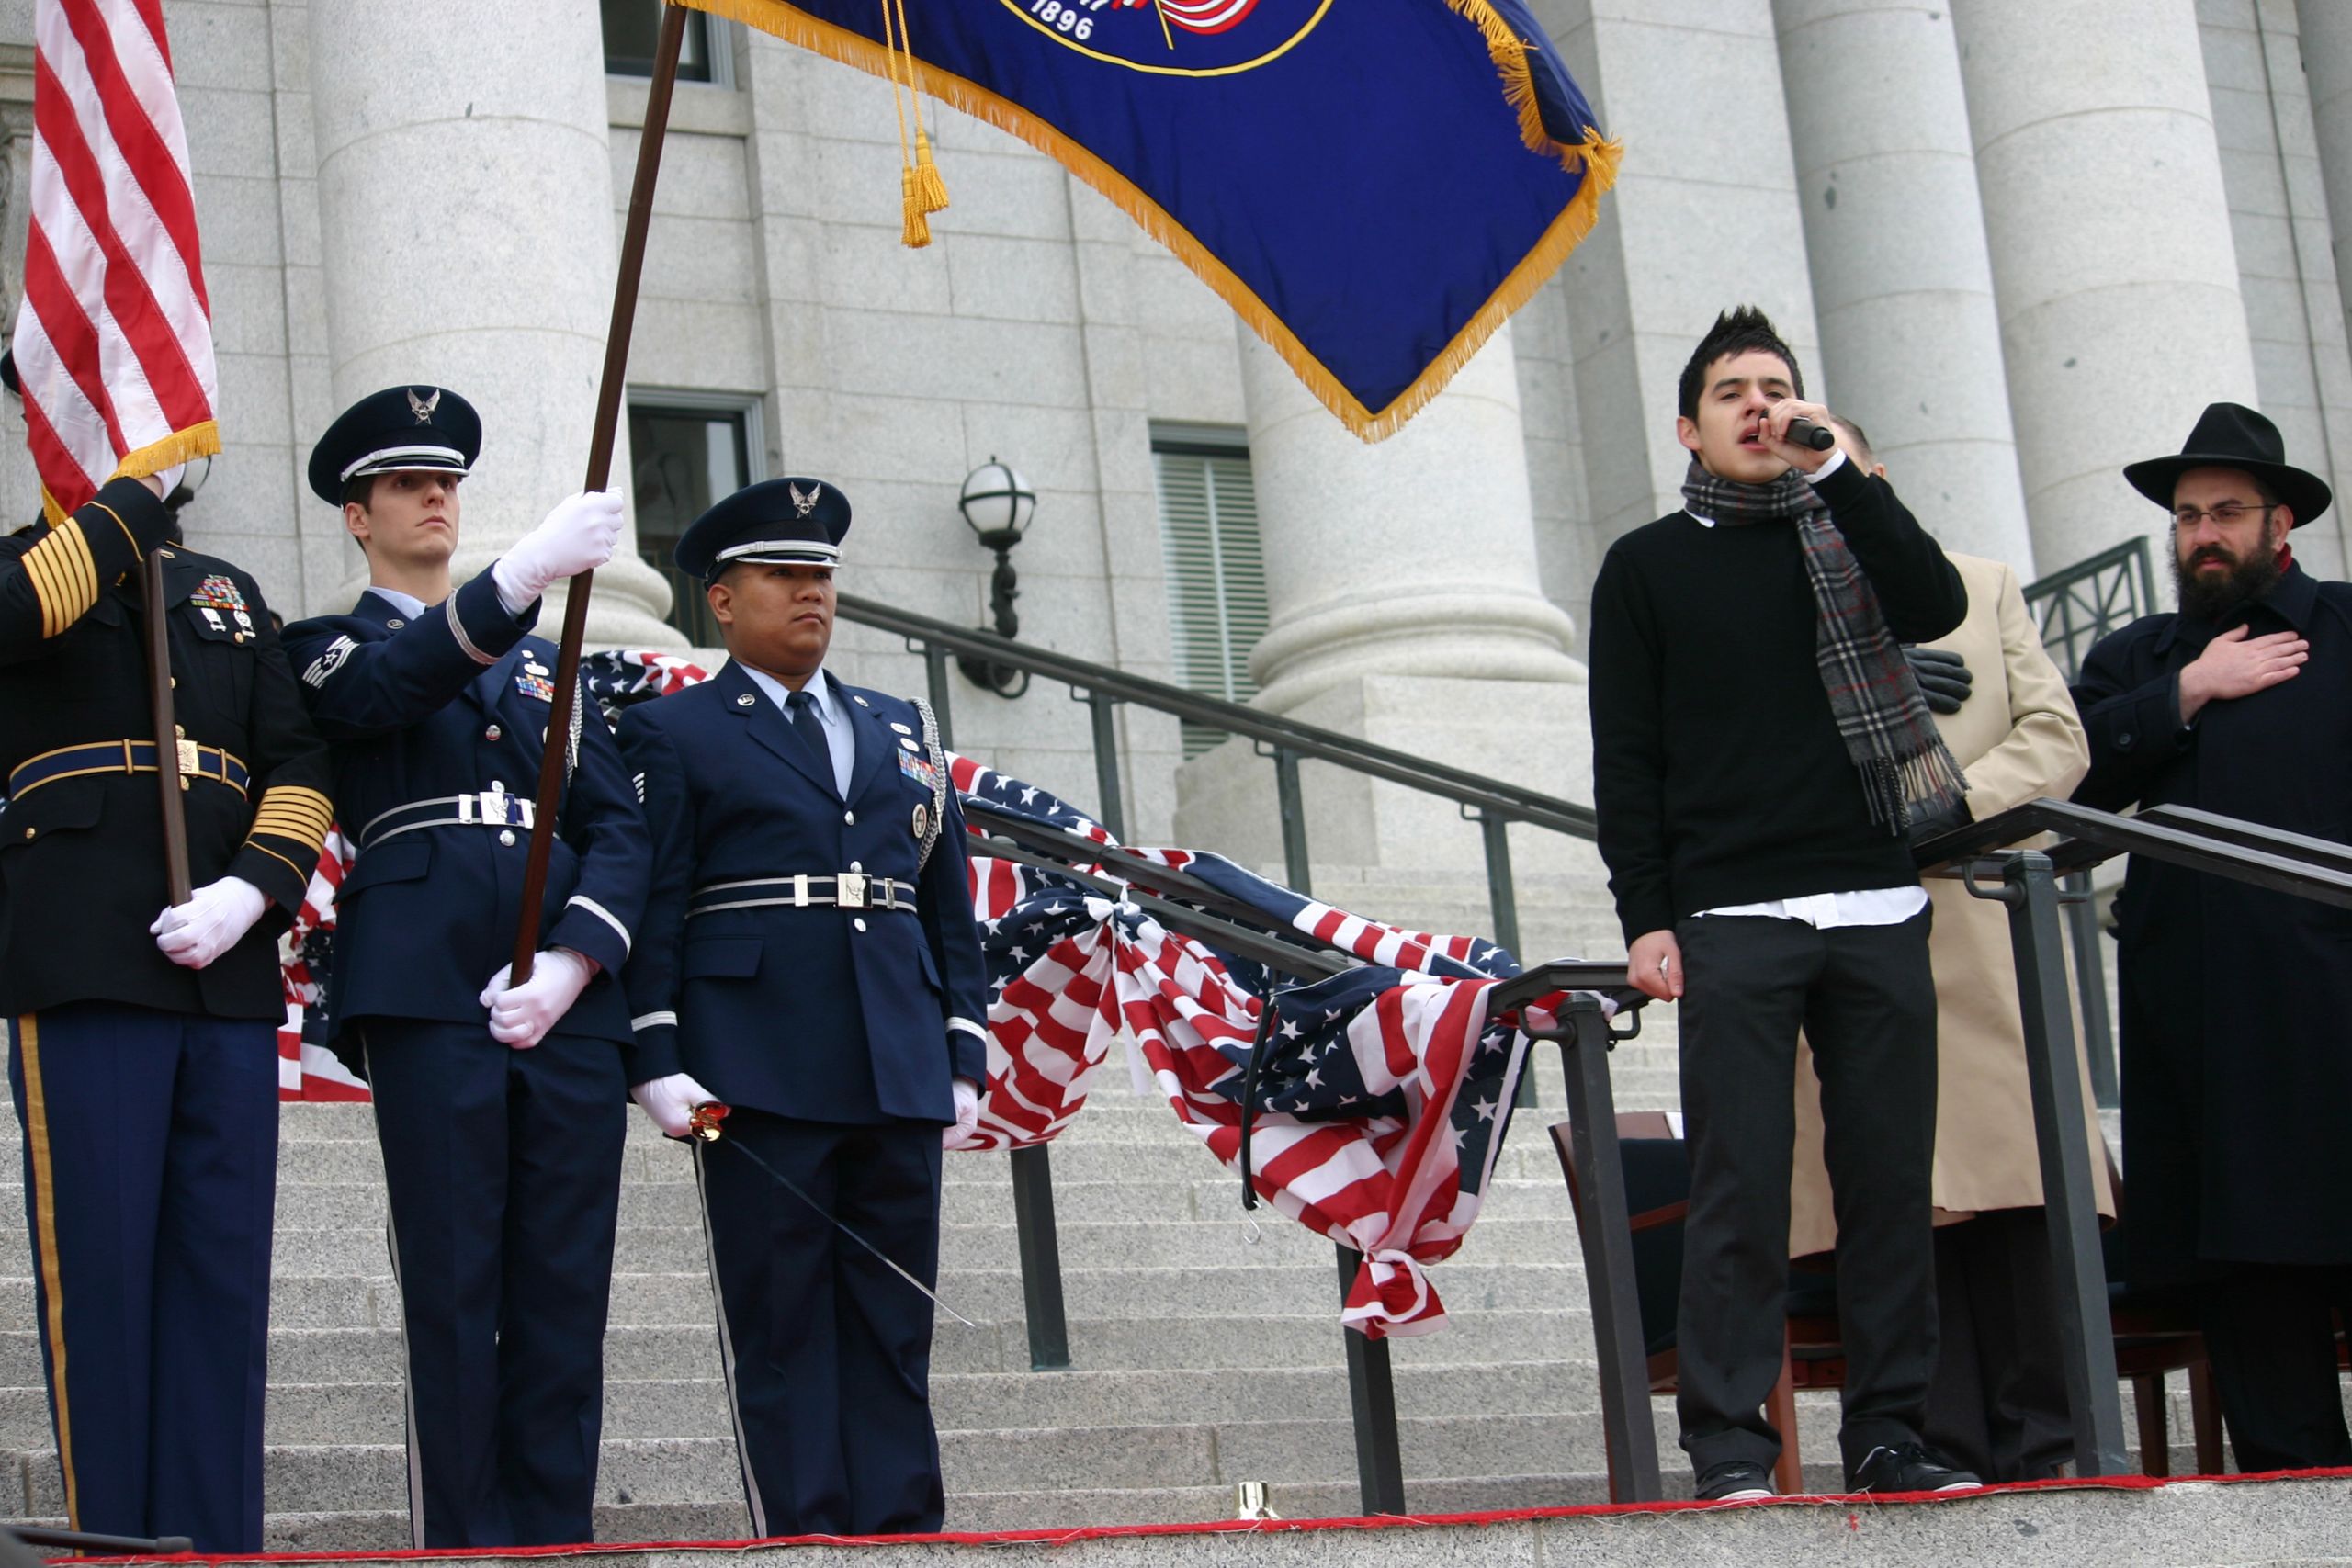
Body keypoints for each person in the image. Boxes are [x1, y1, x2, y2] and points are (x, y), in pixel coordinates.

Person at [1587, 306, 1976, 1500]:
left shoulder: (1845, 529)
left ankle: (1889, 1435)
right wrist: (1647, 915)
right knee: (1740, 1185)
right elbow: (1627, 759)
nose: (1758, 407)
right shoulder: (1646, 565)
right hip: (1733, 915)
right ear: (1689, 429)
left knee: (1889, 1187)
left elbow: (1936, 606)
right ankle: (1729, 1445)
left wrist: (1840, 469)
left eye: (1775, 388)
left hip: (1876, 904)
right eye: (1732, 393)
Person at [280, 387, 648, 1547]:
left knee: (565, 1283)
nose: (436, 499)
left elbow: (617, 824)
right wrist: (520, 575)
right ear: (358, 516)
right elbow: (389, 691)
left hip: (564, 999)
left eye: (446, 483)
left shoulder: (549, 666)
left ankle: (555, 1532)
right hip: (426, 976)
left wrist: (578, 958)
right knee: (454, 1278)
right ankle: (467, 1538)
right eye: (407, 485)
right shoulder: (325, 645)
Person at [618, 477, 989, 1537]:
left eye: (821, 573)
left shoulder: (898, 725)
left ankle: (902, 1532)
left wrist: (963, 1047)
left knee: (893, 1317)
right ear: (722, 600)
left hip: (895, 1053)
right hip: (753, 1060)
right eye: (783, 574)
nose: (810, 592)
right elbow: (657, 900)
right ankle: (808, 1534)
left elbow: (944, 898)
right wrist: (654, 1052)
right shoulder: (673, 729)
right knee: (781, 1321)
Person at [1, 465, 334, 1551]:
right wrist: (125, 505)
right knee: (101, 1274)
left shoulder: (226, 590)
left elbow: (298, 761)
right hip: (85, 946)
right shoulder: (25, 569)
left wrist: (256, 887)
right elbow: (15, 619)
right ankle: (113, 1544)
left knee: (219, 1282)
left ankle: (214, 1543)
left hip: (223, 962)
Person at [1785, 416, 2111, 1483]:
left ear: (1873, 479)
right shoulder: (1768, 618)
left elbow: (2056, 736)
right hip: (1846, 936)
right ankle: (1938, 1443)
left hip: (1977, 915)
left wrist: (1953, 802)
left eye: (1835, 471)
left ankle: (2050, 1446)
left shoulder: (1980, 585)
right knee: (1901, 1198)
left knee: (2019, 1188)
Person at [2073, 401, 2352, 1472]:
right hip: (2207, 1039)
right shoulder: (2137, 658)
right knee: (2251, 1299)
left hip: (2334, 1019)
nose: (2202, 534)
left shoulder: (2346, 629)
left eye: (2226, 512)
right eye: (2187, 516)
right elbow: (2065, 778)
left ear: (2282, 522)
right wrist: (2187, 692)